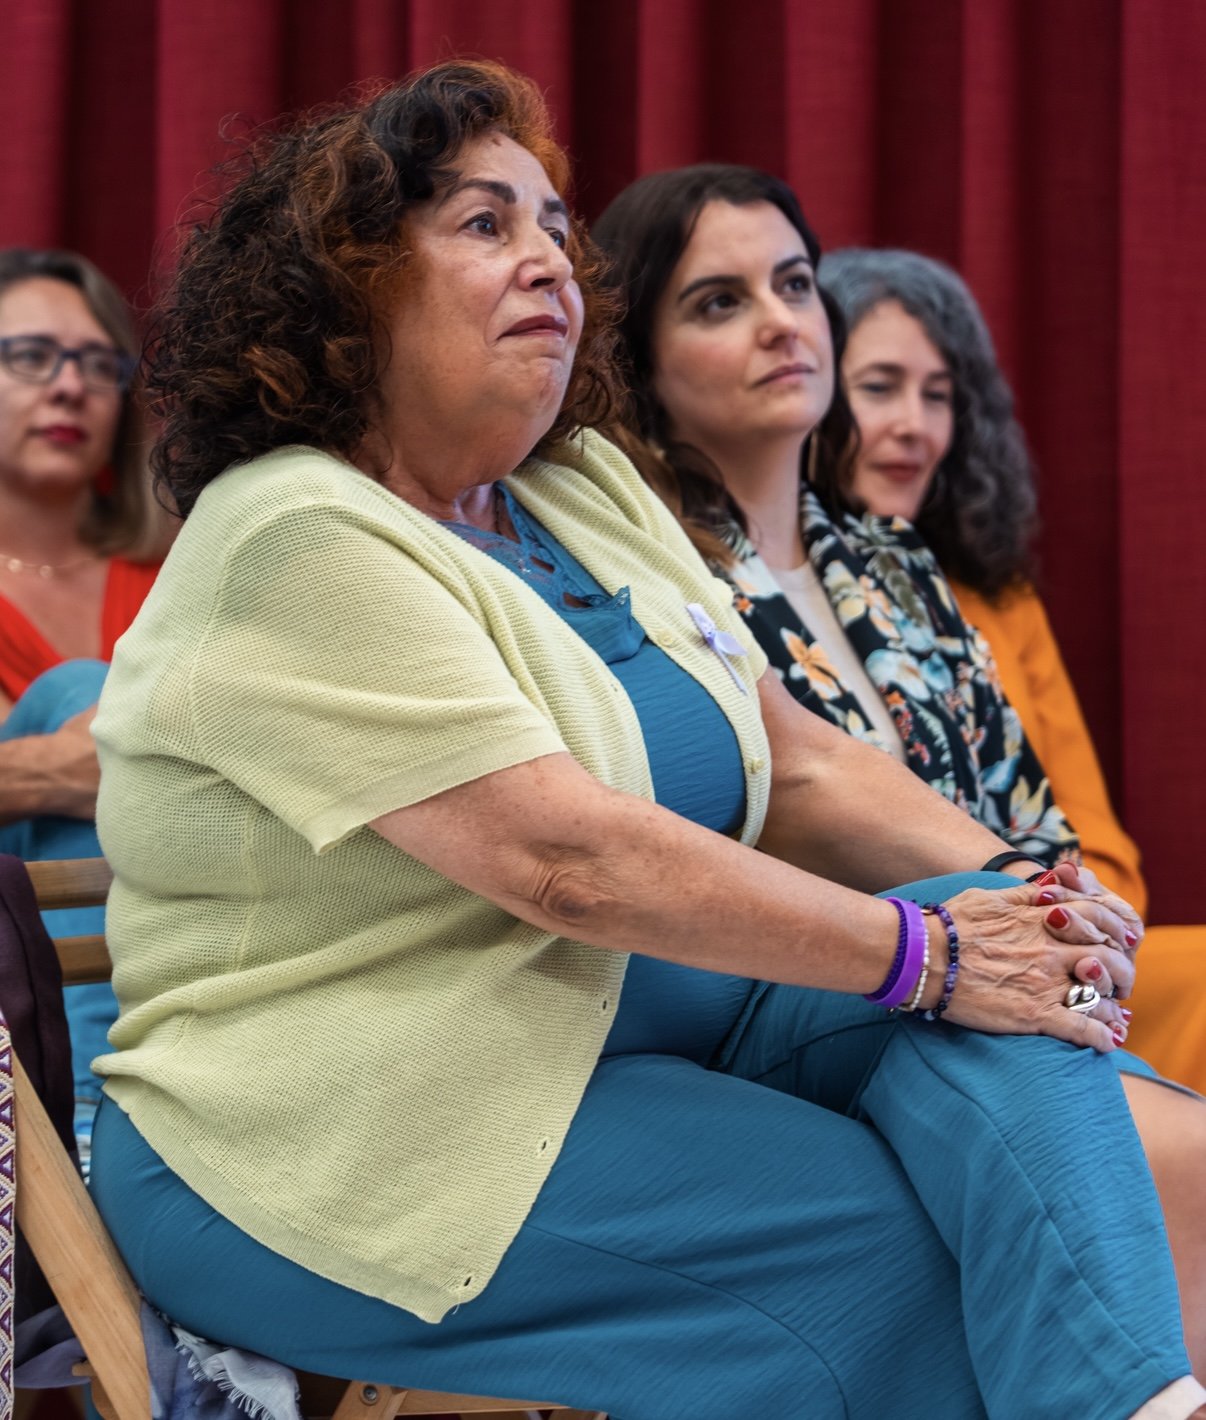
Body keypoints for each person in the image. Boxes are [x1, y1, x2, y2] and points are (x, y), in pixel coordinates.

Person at [87, 64, 1206, 1419]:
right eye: (485, 223)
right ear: (346, 284)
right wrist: (928, 955)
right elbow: (568, 863)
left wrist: (1033, 900)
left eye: (555, 226)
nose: (548, 260)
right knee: (894, 1241)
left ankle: (1135, 1403)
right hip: (338, 1132)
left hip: (648, 1034)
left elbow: (799, 762)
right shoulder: (291, 531)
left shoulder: (580, 487)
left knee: (997, 957)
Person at [820, 245, 1206, 1094]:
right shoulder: (761, 590)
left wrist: (1073, 938)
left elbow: (1101, 850)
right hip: (897, 972)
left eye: (939, 396)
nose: (916, 426)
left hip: (1075, 952)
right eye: (880, 387)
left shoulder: (998, 598)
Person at [0, 247, 164, 1158]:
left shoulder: (184, 572)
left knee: (86, 692)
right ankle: (97, 1121)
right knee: (82, 692)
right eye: (32, 356)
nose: (70, 386)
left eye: (99, 364)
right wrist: (42, 774)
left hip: (190, 910)